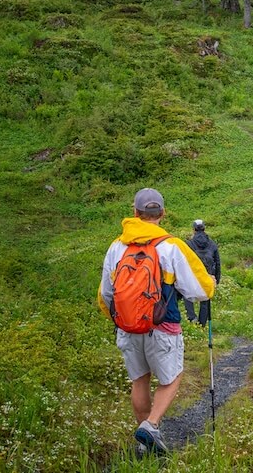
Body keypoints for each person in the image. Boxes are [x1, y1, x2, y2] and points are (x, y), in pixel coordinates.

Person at [98, 188, 216, 455]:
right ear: (162, 213)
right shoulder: (171, 246)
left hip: (127, 327)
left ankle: (143, 444)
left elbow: (106, 293)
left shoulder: (117, 247)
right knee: (172, 377)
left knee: (140, 380)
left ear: (135, 212)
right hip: (162, 326)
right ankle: (151, 425)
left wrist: (120, 320)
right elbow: (199, 290)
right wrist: (212, 285)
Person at [183, 219, 220, 327]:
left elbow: (183, 261)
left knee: (187, 294)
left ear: (193, 230)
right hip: (208, 274)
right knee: (205, 297)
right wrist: (217, 278)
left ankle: (191, 317)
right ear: (204, 229)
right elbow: (217, 262)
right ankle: (202, 323)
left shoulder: (188, 244)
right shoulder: (212, 244)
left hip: (192, 275)